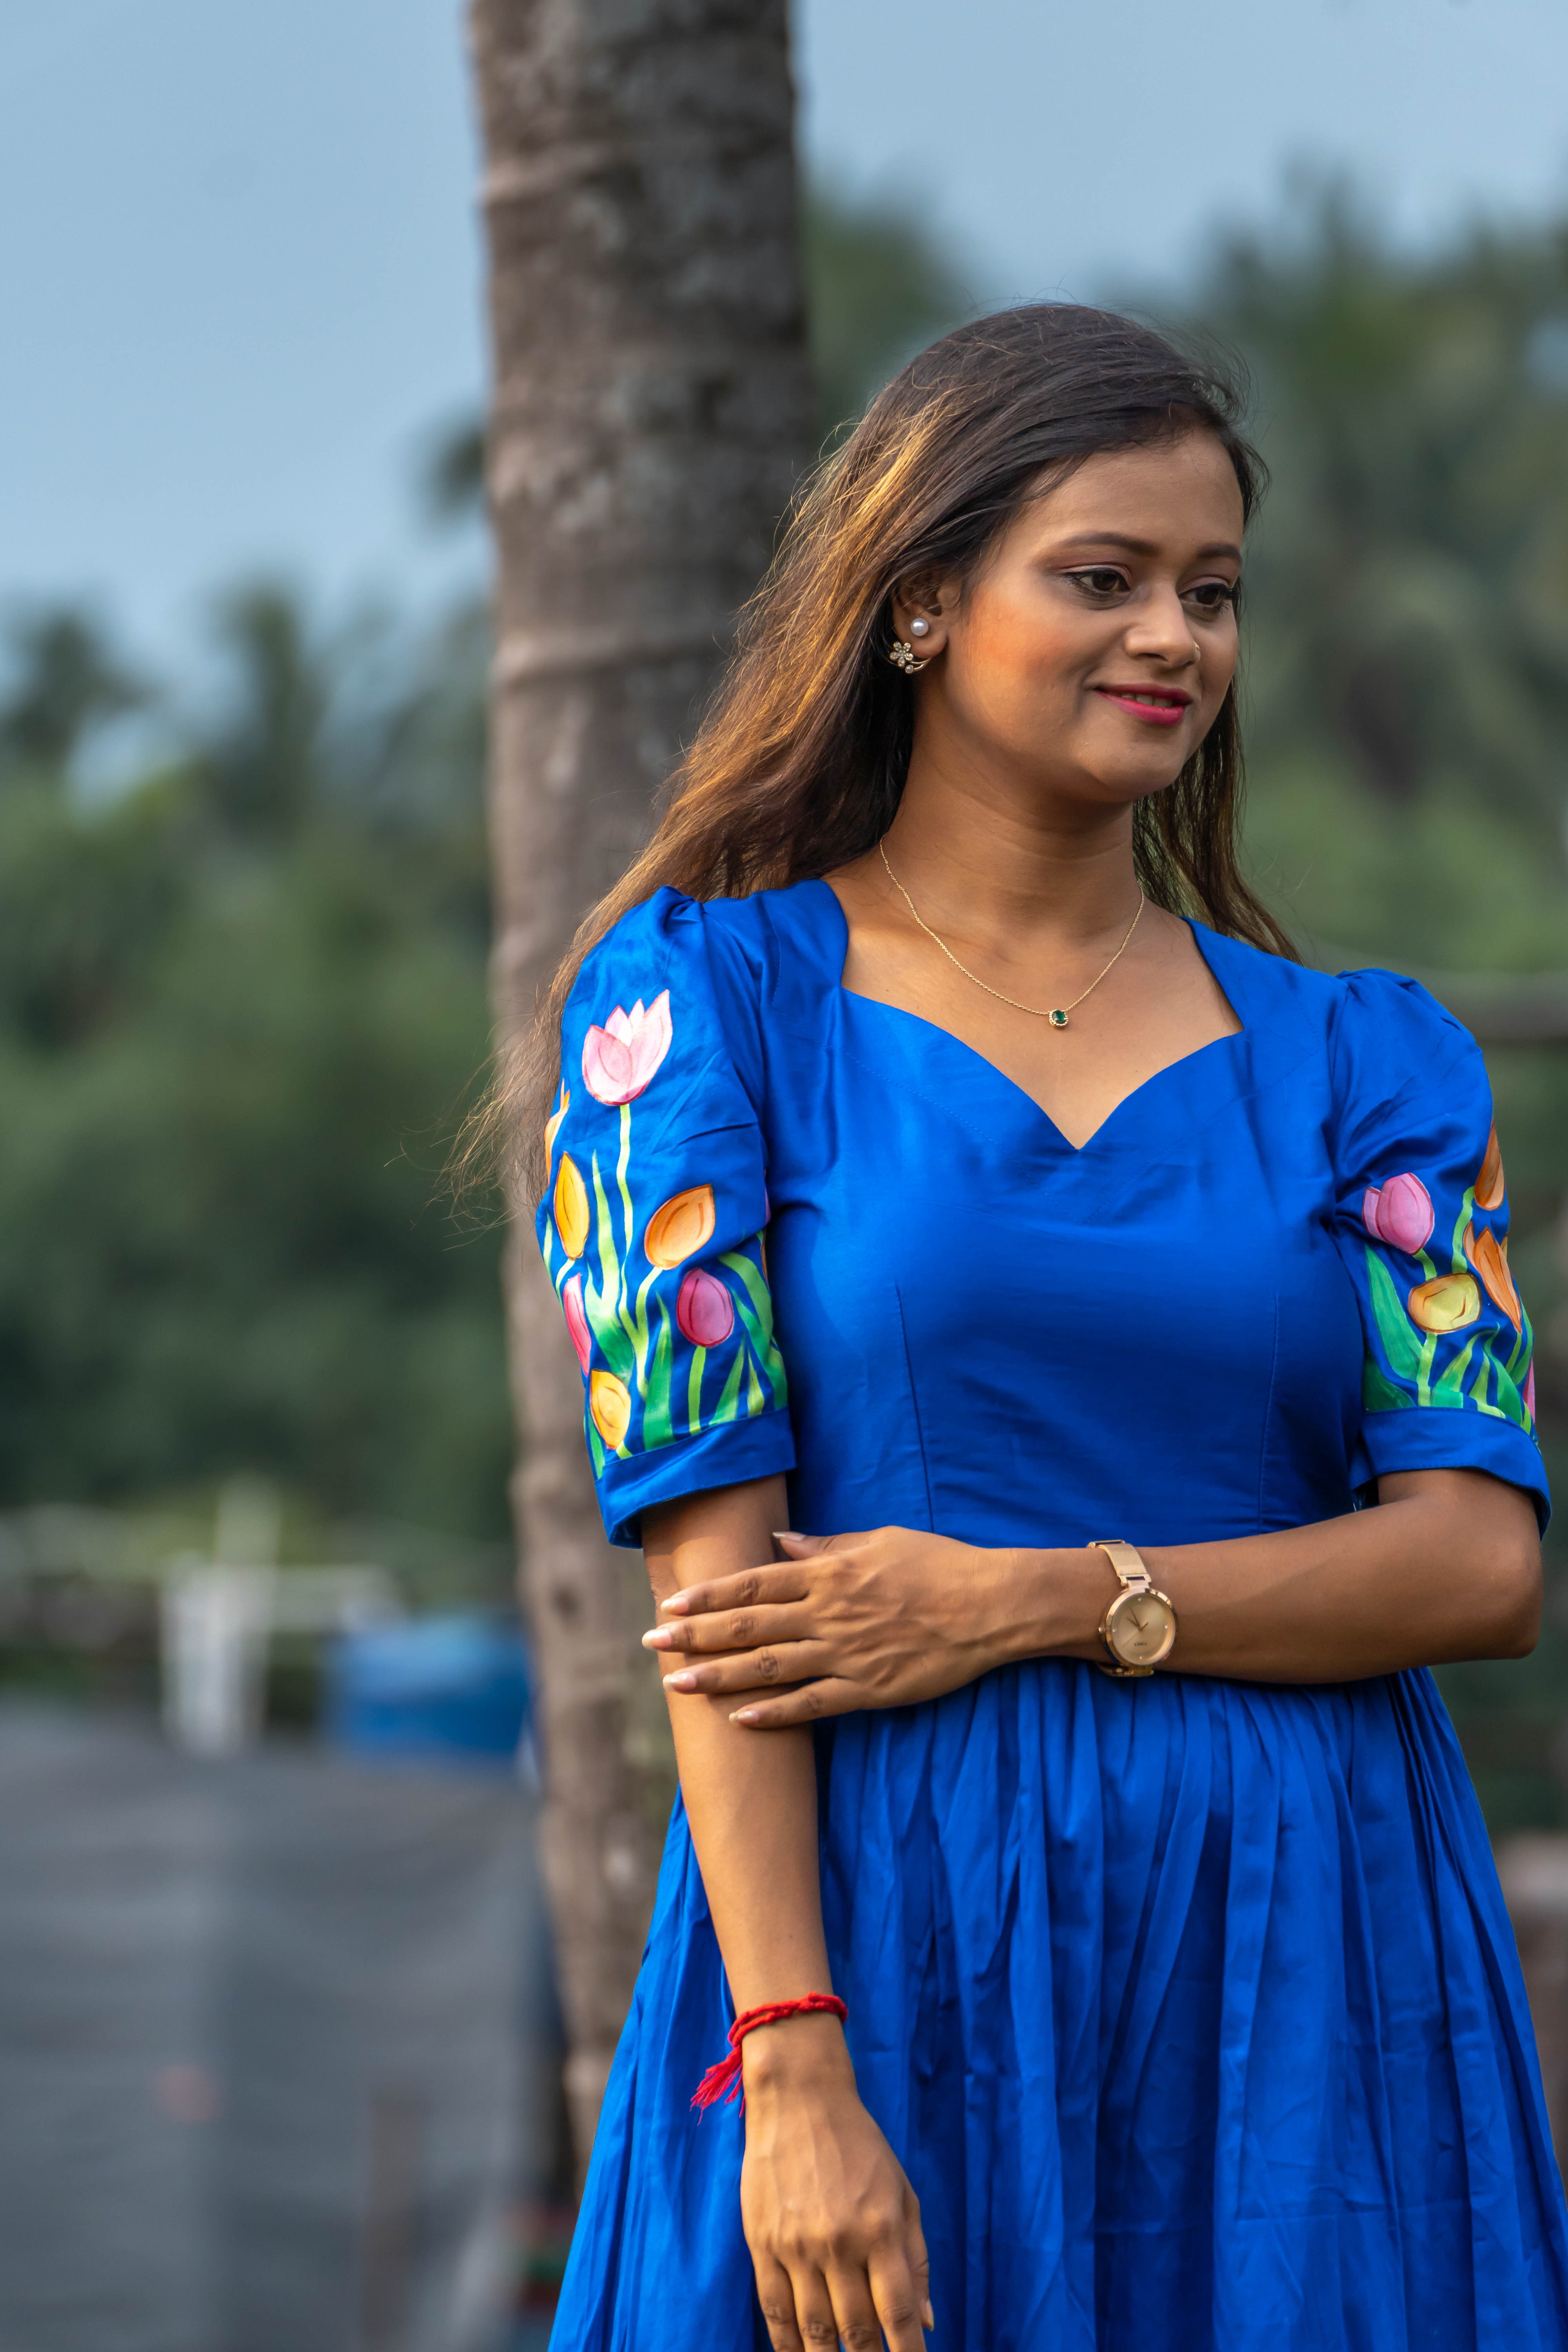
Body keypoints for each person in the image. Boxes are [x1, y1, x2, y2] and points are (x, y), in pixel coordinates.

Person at [519, 306, 1564, 2350]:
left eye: (1212, 591)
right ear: (921, 604)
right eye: (1102, 578)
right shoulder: (696, 1015)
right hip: (885, 1940)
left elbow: (1480, 1562)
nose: (1171, 636)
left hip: (1306, 1959)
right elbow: (723, 1610)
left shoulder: (1374, 1064)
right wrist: (791, 2068)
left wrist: (1034, 1600)